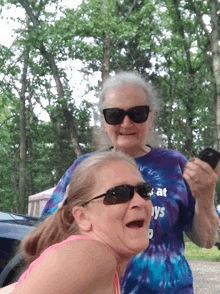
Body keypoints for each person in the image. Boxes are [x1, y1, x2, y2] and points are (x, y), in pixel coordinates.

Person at [40, 72, 220, 294]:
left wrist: (205, 195)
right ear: (104, 120)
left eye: (137, 113)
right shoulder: (84, 167)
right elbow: (46, 237)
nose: (126, 123)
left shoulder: (175, 165)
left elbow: (207, 241)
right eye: (115, 115)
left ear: (151, 116)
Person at [0, 151, 153, 294]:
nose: (140, 201)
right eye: (119, 194)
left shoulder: (87, 262)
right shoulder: (92, 254)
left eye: (143, 191)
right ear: (82, 217)